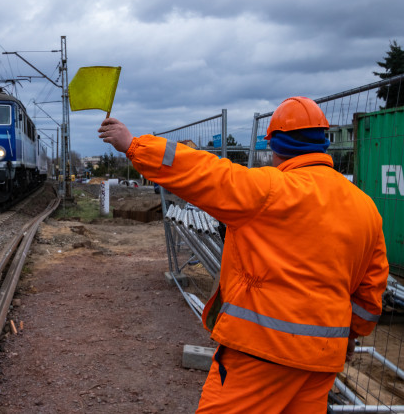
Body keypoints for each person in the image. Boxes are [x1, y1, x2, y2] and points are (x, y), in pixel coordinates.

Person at [98, 96, 388, 413]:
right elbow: (370, 296)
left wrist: (133, 146)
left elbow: (199, 171)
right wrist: (349, 335)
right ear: (324, 142)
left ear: (276, 146)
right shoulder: (365, 208)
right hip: (322, 360)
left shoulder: (268, 190)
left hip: (261, 352)